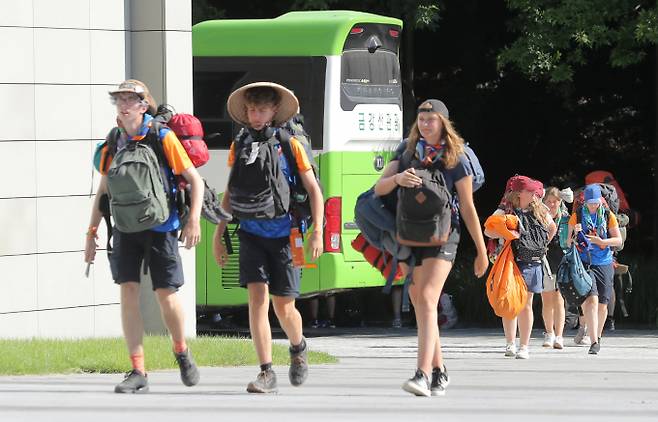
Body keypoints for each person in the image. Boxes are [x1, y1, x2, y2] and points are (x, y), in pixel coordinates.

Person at [85, 80, 204, 393]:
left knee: (166, 294)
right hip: (125, 227)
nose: (124, 105)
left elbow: (194, 179)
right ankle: (138, 370)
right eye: (120, 100)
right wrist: (92, 230)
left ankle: (181, 350)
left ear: (143, 105)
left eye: (131, 100)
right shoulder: (114, 140)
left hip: (162, 226)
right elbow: (105, 187)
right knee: (128, 292)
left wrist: (193, 219)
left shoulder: (161, 136)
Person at [212, 82, 324, 393]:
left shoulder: (290, 144)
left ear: (274, 111)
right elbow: (230, 193)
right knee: (256, 300)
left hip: (287, 236)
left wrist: (318, 232)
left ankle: (298, 348)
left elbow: (314, 191)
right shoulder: (241, 144)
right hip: (250, 234)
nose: (256, 115)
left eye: (262, 110)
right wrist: (219, 232)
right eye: (251, 110)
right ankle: (265, 371)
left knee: (284, 306)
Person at [374, 99, 488, 397]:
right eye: (421, 120)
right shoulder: (407, 152)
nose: (425, 125)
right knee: (418, 298)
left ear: (443, 124)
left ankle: (422, 374)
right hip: (410, 236)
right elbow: (379, 188)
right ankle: (439, 371)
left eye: (431, 120)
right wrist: (397, 178)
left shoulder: (456, 158)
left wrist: (481, 249)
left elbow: (467, 206)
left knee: (426, 297)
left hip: (444, 237)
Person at [485, 176, 556, 360]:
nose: (535, 194)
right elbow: (488, 230)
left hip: (532, 261)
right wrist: (505, 232)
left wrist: (541, 246)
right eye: (530, 191)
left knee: (526, 304)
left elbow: (552, 227)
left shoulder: (540, 209)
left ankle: (523, 346)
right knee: (510, 303)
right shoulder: (504, 210)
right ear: (519, 193)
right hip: (511, 261)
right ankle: (510, 343)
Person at [567, 184, 623, 354]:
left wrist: (602, 242)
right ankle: (593, 341)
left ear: (600, 200)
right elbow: (567, 242)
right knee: (590, 300)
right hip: (583, 263)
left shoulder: (607, 215)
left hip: (604, 262)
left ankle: (597, 337)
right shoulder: (576, 215)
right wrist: (574, 234)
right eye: (589, 202)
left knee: (602, 304)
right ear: (584, 201)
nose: (592, 205)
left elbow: (618, 240)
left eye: (595, 202)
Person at [540, 187, 571, 349]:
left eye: (555, 201)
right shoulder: (540, 218)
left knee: (559, 300)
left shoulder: (566, 218)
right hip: (544, 261)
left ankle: (559, 336)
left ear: (560, 202)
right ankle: (549, 332)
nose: (552, 205)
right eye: (549, 201)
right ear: (543, 202)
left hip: (562, 262)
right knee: (547, 299)